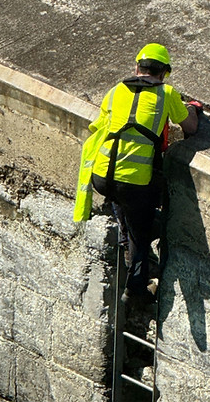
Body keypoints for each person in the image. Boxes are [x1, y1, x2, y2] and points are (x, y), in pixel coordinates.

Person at [75, 43, 199, 304]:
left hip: (101, 174)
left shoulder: (115, 91)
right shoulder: (166, 93)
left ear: (137, 67)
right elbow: (190, 127)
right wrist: (193, 109)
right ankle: (136, 289)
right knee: (142, 233)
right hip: (133, 182)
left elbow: (99, 126)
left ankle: (126, 242)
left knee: (125, 207)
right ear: (165, 72)